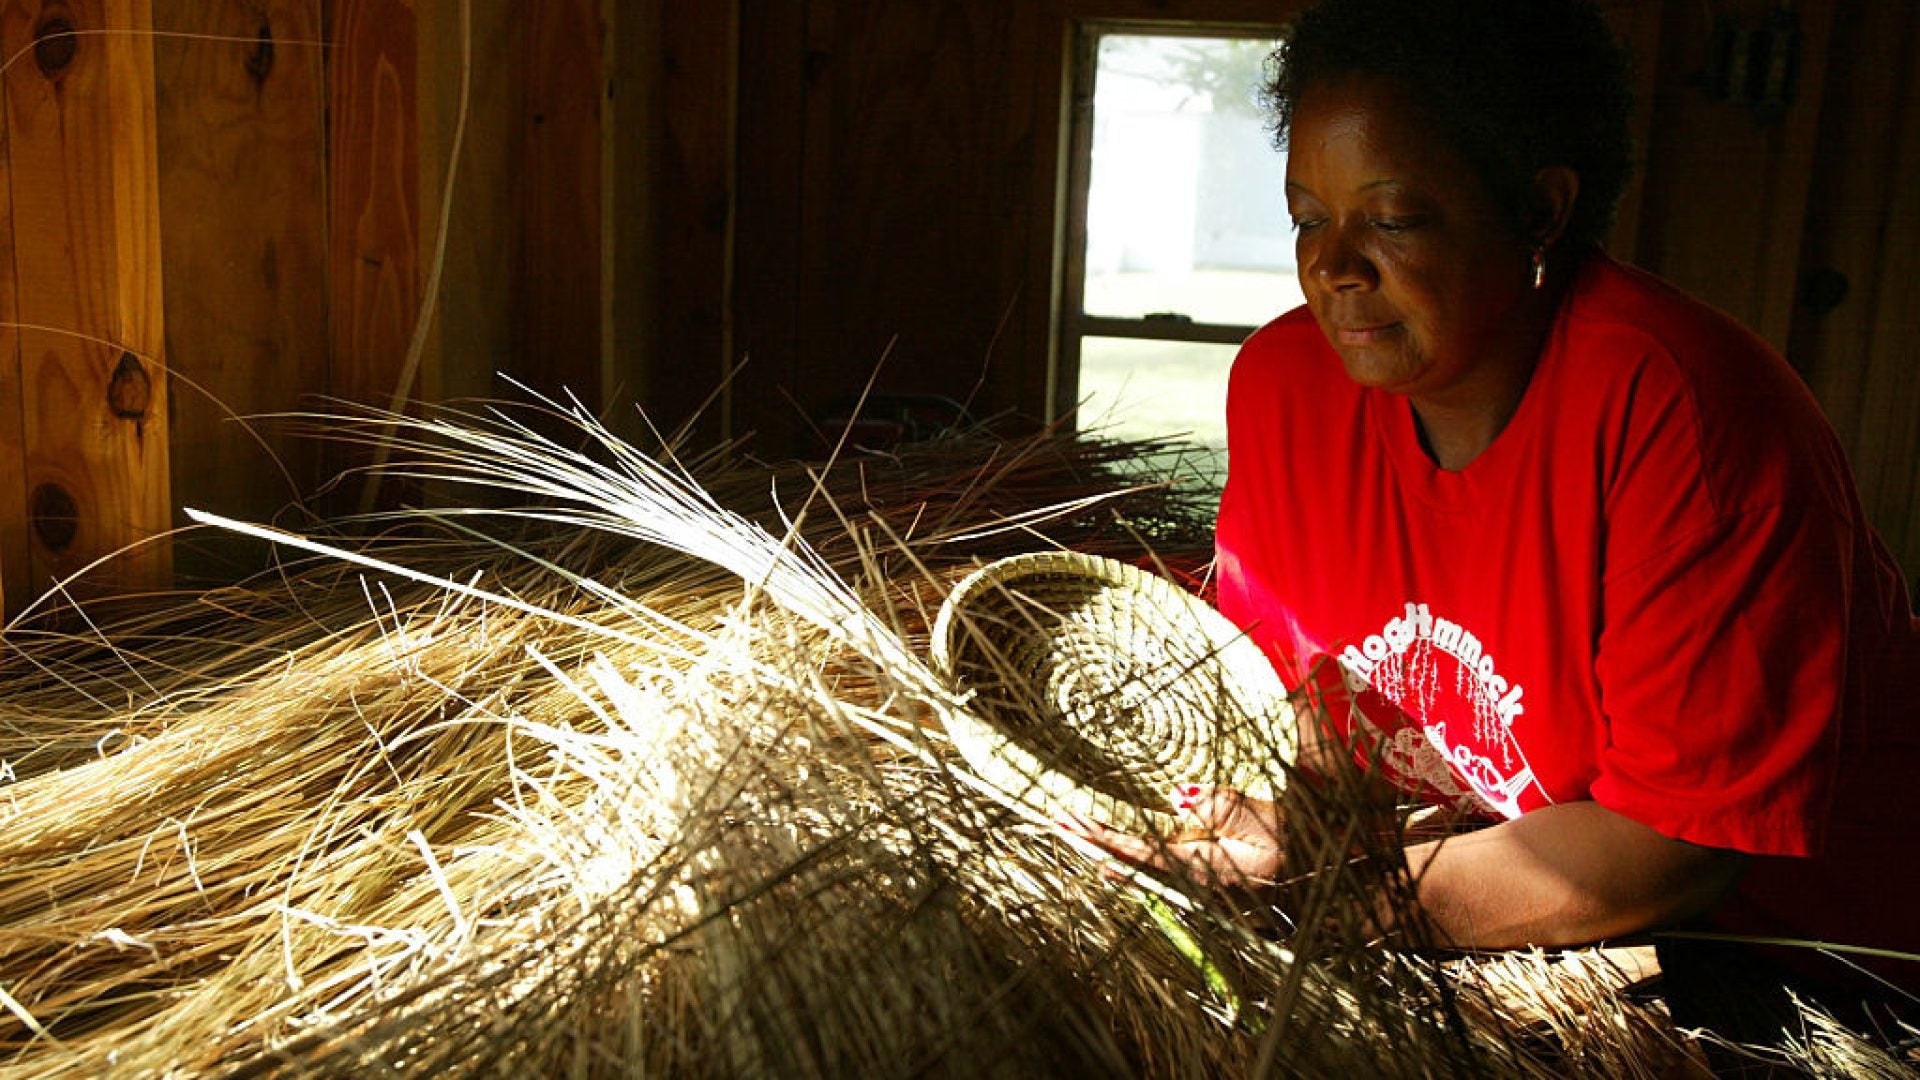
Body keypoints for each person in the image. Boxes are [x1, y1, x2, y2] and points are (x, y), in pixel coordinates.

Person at [1068, 0, 1920, 1029]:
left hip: (1811, 951)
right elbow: (1311, 710)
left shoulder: (1686, 416)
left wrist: (1324, 895)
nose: (1333, 265)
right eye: (1307, 217)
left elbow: (1675, 852)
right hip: (1542, 896)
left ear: (1541, 210)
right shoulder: (1285, 387)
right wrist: (1272, 826)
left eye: (1391, 218)